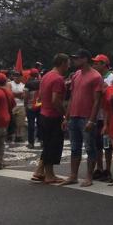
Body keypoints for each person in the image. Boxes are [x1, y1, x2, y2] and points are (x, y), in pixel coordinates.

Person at [60, 49, 104, 187]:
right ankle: (73, 175)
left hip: (86, 117)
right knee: (74, 147)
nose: (74, 60)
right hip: (74, 115)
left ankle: (89, 176)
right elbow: (72, 97)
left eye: (77, 58)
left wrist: (92, 120)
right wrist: (66, 117)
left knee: (90, 147)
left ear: (85, 59)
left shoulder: (96, 76)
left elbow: (97, 101)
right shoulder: (76, 75)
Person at [31, 54, 70, 183]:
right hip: (53, 116)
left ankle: (39, 171)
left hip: (43, 114)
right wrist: (64, 114)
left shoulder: (46, 76)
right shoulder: (58, 79)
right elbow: (55, 100)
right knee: (53, 145)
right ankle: (50, 175)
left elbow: (42, 95)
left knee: (47, 144)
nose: (69, 66)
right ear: (63, 63)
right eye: (68, 63)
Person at [92, 54, 113, 181]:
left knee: (107, 145)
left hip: (107, 117)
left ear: (103, 64)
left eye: (96, 63)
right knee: (97, 144)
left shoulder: (111, 78)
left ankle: (108, 169)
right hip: (96, 116)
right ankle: (99, 168)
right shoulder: (95, 77)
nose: (94, 65)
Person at [0, 73, 16, 169]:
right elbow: (13, 105)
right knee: (0, 143)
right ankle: (0, 162)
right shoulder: (8, 92)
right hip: (5, 121)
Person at [24, 68, 42, 149]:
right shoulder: (41, 83)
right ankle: (42, 140)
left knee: (31, 124)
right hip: (40, 106)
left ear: (30, 75)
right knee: (40, 123)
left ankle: (31, 143)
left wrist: (25, 105)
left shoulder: (28, 84)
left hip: (30, 107)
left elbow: (26, 96)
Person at [8, 71, 27, 144]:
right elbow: (9, 94)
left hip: (21, 105)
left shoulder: (23, 85)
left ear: (21, 77)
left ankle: (18, 136)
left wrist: (14, 94)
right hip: (12, 105)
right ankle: (9, 135)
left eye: (18, 76)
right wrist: (18, 94)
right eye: (15, 76)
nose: (16, 77)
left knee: (20, 122)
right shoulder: (10, 84)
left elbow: (23, 96)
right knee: (11, 121)